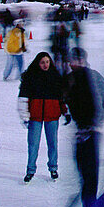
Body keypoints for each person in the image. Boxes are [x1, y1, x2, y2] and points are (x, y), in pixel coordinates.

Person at [65, 48, 104, 207]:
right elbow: (64, 101)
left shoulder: (94, 78)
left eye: (77, 60)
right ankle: (86, 195)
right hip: (80, 132)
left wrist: (95, 124)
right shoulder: (70, 79)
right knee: (82, 166)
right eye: (72, 61)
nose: (74, 64)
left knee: (90, 171)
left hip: (92, 132)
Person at [18, 51, 65, 182]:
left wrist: (65, 111)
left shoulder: (55, 77)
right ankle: (30, 170)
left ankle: (53, 168)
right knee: (33, 144)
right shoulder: (31, 77)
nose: (45, 65)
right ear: (38, 63)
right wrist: (24, 115)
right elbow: (23, 98)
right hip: (35, 116)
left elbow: (61, 97)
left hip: (52, 115)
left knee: (53, 143)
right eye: (42, 62)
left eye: (47, 62)